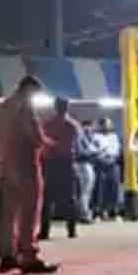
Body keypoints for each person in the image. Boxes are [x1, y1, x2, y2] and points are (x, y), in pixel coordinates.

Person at [0, 76, 57, 273]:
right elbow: (33, 136)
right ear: (29, 89)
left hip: (6, 164)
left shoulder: (2, 107)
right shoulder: (25, 108)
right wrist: (47, 143)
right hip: (26, 163)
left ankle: (8, 255)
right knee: (29, 211)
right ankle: (29, 255)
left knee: (9, 213)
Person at [40, 97, 81, 240]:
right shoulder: (72, 125)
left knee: (47, 198)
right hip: (66, 162)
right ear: (67, 107)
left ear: (55, 107)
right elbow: (76, 144)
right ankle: (71, 230)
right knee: (69, 198)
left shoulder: (47, 123)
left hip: (51, 162)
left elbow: (43, 143)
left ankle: (44, 231)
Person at [89, 118, 121, 220]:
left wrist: (110, 156)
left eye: (109, 124)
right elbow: (93, 149)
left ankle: (114, 212)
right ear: (101, 126)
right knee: (99, 189)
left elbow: (117, 150)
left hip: (112, 164)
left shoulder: (114, 137)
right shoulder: (96, 137)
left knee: (114, 188)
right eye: (106, 124)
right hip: (100, 165)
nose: (108, 126)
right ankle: (98, 212)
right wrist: (102, 154)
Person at [73, 121, 95, 223]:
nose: (89, 129)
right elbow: (80, 152)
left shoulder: (87, 137)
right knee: (85, 191)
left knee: (86, 191)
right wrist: (93, 152)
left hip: (86, 164)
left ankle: (84, 213)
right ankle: (84, 215)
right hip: (83, 164)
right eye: (87, 127)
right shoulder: (79, 137)